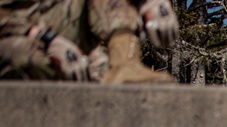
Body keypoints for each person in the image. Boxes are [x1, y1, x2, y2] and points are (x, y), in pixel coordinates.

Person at [0, 0, 177, 83]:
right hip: (15, 42)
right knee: (31, 58)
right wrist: (42, 37)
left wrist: (150, 3)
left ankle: (124, 65)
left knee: (99, 74)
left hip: (72, 49)